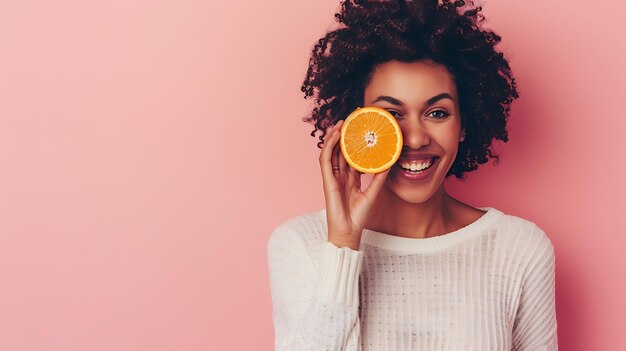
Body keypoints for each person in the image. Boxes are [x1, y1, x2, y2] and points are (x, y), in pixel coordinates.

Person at [267, 0, 558, 350]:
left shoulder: (520, 250)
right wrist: (343, 245)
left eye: (437, 112)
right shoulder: (300, 244)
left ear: (464, 124)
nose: (416, 138)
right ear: (358, 125)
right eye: (392, 113)